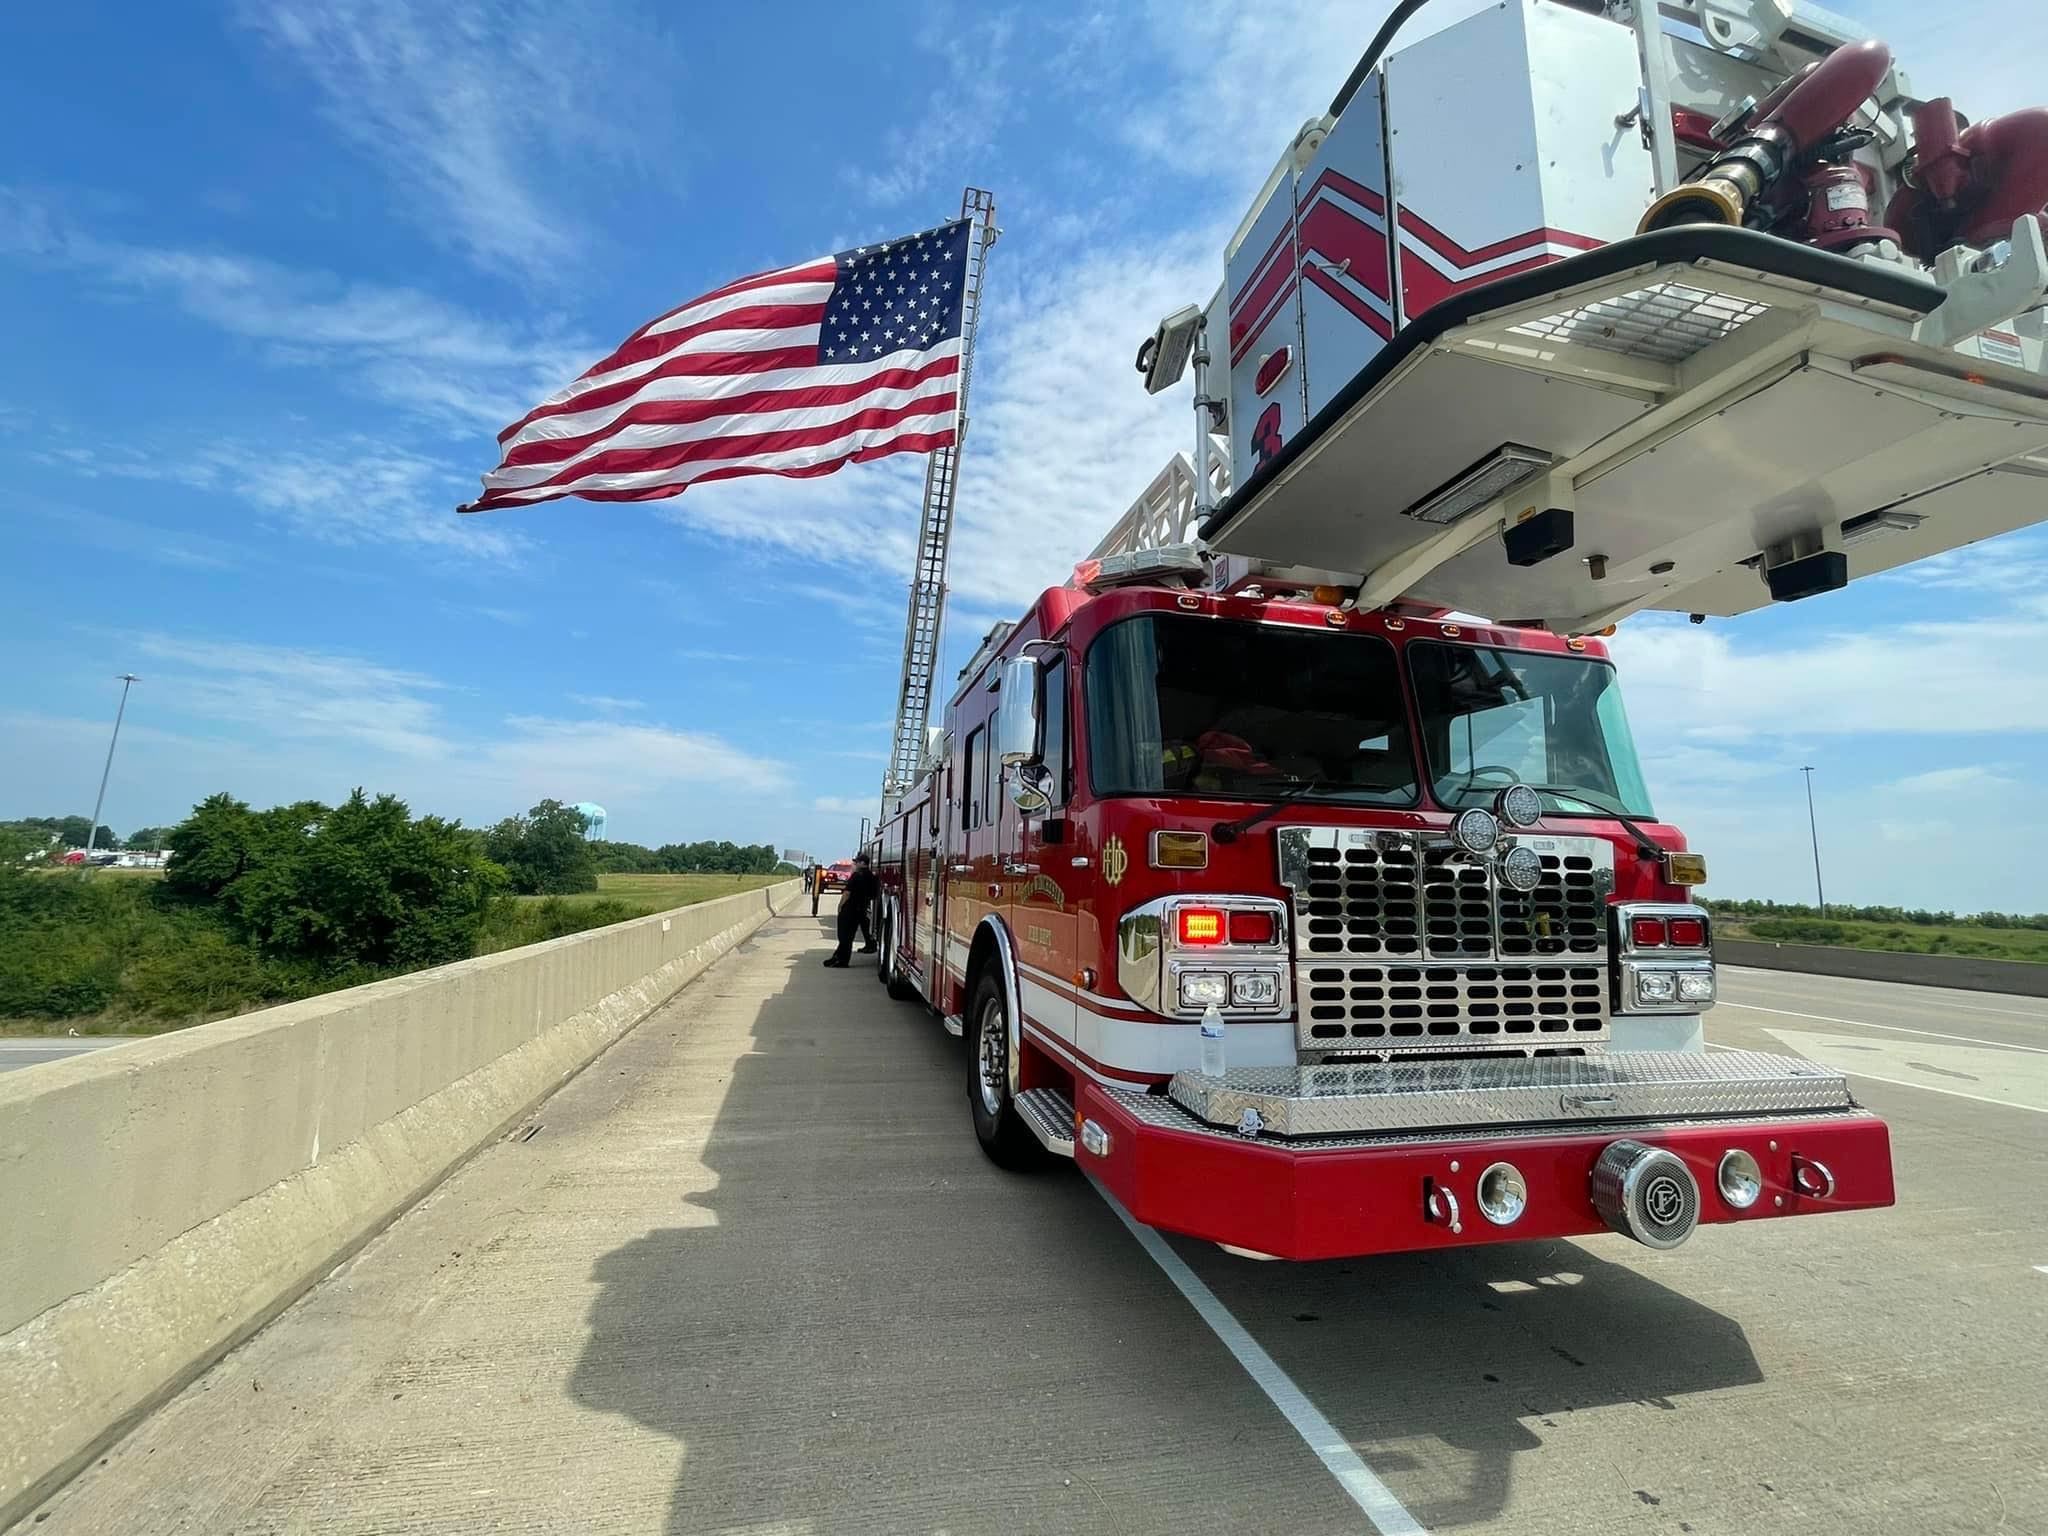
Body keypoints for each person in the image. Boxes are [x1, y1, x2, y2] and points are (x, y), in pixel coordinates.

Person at [822, 853, 879, 968]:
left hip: (850, 908)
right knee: (849, 936)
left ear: (862, 863)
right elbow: (874, 893)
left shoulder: (856, 876)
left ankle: (842, 961)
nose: (855, 864)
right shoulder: (872, 877)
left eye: (857, 862)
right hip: (862, 908)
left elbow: (847, 893)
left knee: (844, 936)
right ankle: (837, 957)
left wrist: (840, 905)